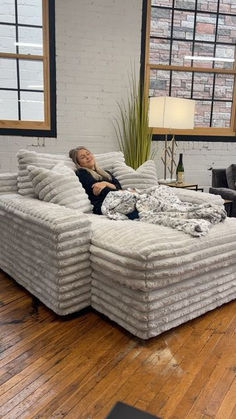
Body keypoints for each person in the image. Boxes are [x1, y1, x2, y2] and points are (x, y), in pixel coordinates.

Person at [69, 146, 139, 219]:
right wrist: (121, 191)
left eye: (88, 154)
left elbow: (118, 186)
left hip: (118, 199)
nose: (87, 157)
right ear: (78, 163)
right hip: (103, 204)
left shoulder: (106, 173)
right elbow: (99, 191)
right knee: (138, 210)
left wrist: (105, 184)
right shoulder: (82, 173)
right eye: (83, 157)